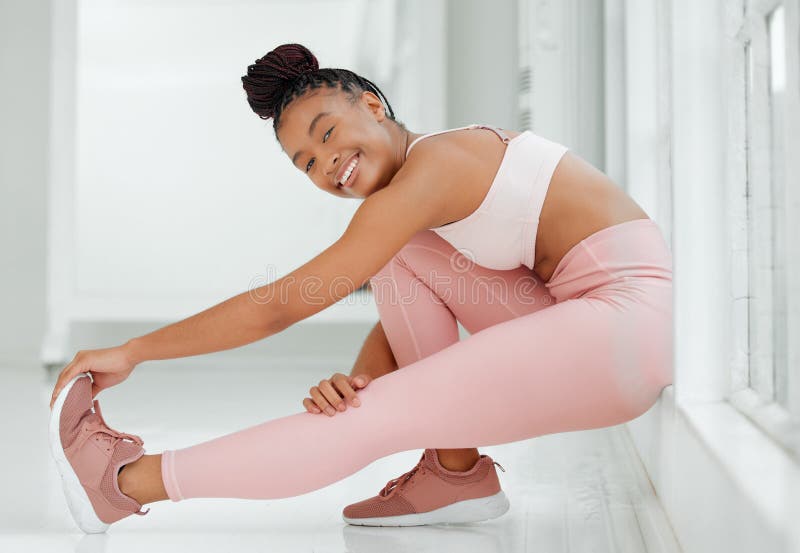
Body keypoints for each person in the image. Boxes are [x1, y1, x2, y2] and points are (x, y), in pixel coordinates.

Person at [48, 42, 673, 533]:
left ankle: (123, 483)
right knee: (393, 262)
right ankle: (454, 474)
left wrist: (132, 351)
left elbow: (280, 306)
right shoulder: (413, 192)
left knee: (365, 420)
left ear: (373, 104)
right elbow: (414, 295)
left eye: (326, 134)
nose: (327, 166)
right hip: (593, 317)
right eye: (307, 164)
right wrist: (361, 380)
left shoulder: (441, 165)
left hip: (623, 330)